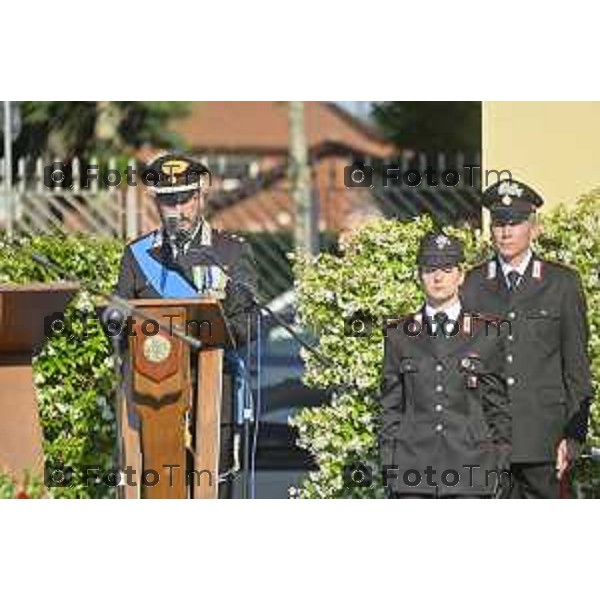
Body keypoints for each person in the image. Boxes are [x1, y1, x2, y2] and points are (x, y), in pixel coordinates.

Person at [114, 152, 257, 498]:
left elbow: (250, 324)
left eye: (184, 199)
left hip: (214, 391)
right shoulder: (138, 255)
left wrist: (211, 332)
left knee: (212, 492)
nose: (176, 210)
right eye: (167, 201)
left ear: (200, 196)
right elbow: (118, 319)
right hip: (152, 394)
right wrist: (113, 321)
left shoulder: (230, 253)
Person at [462, 179, 594, 498]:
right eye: (499, 224)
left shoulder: (562, 283)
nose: (506, 232)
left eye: (515, 223)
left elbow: (576, 365)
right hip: (487, 440)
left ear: (533, 228)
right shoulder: (472, 283)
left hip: (543, 440)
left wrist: (573, 435)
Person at [380, 232, 511, 498]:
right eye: (429, 270)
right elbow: (390, 408)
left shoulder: (487, 333)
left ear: (461, 276)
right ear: (419, 275)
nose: (438, 278)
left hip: (471, 469)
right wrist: (390, 465)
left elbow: (497, 407)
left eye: (447, 269)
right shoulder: (399, 334)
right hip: (412, 471)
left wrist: (499, 465)